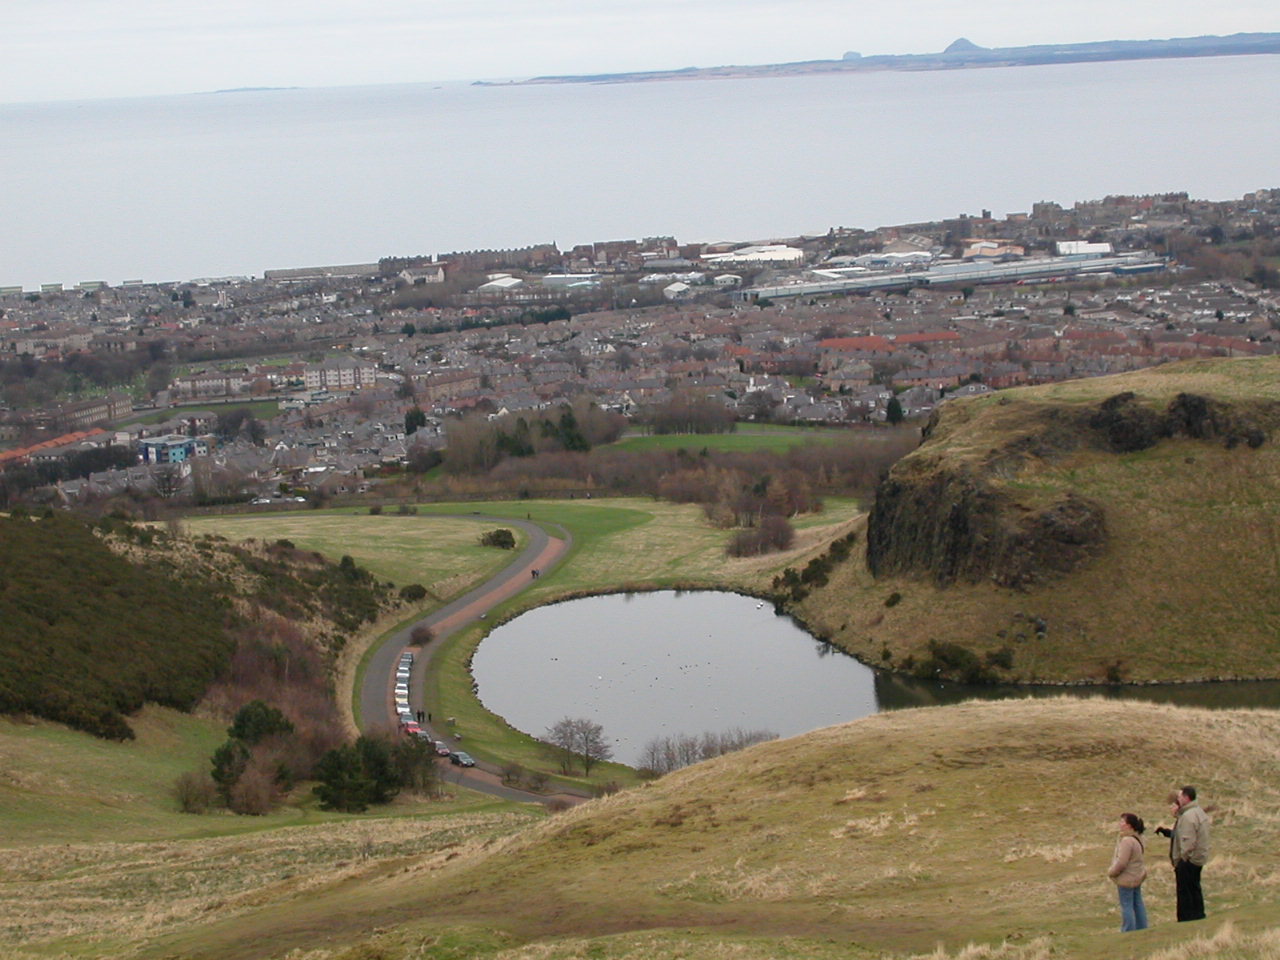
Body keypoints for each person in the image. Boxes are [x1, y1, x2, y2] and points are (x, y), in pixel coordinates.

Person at [1169, 785, 1211, 921]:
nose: (1178, 799)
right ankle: (1198, 914)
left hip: (1189, 861)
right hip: (1198, 858)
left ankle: (1186, 918)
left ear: (1186, 798)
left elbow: (1187, 842)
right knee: (1194, 888)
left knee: (1185, 892)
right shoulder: (1198, 812)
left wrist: (1183, 859)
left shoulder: (1188, 816)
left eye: (1180, 796)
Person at [1108, 813, 1148, 931]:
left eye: (1122, 822)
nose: (1120, 824)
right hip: (1136, 877)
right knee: (1138, 903)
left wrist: (1111, 872)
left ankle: (1128, 929)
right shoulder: (1138, 838)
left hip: (1126, 879)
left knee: (1127, 906)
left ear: (1129, 825)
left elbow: (1122, 862)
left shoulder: (1127, 841)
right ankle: (1142, 927)